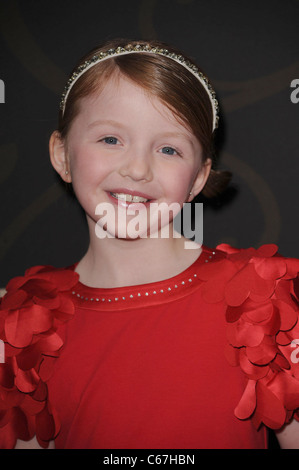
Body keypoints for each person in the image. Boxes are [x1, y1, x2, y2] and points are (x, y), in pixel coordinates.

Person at [0, 38, 299, 450]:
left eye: (168, 148)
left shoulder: (266, 300)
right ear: (62, 154)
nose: (138, 168)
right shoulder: (21, 325)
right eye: (110, 139)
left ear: (197, 178)